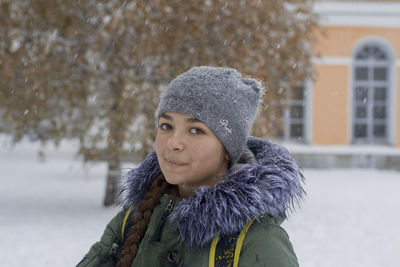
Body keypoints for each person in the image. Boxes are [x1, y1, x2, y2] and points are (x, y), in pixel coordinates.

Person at [77, 66, 304, 267]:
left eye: (196, 130)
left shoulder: (258, 241)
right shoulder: (135, 218)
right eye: (166, 126)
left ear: (228, 149)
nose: (173, 143)